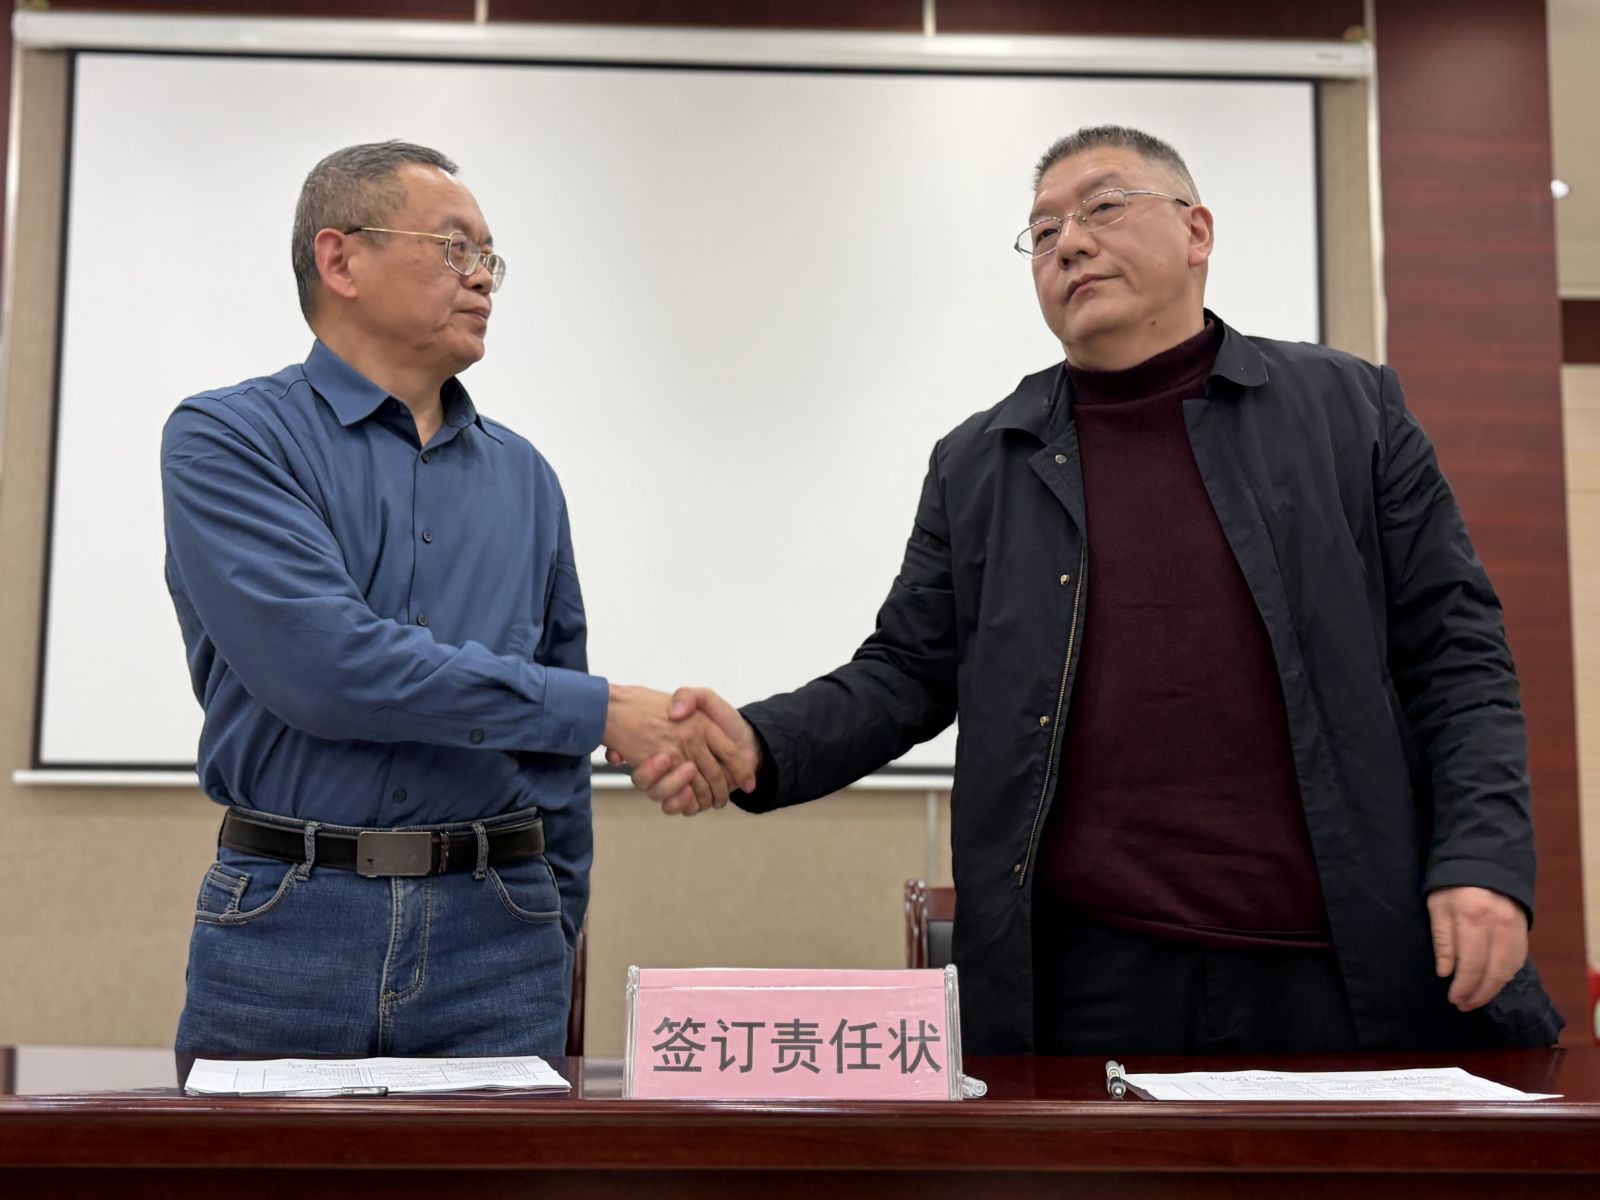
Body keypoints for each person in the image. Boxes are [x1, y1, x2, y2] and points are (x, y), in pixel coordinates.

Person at [623, 125, 1564, 1056]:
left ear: (1197, 231)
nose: (1069, 242)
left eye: (1104, 207)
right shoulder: (982, 461)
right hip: (1084, 984)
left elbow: (1459, 657)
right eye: (1043, 232)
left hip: (1334, 964)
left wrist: (1481, 858)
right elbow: (905, 672)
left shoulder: (1350, 412)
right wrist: (759, 744)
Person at [161, 141, 745, 1060]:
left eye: (490, 259)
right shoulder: (229, 439)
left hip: (498, 936)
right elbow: (330, 668)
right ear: (340, 259)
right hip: (287, 923)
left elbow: (552, 756)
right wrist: (606, 712)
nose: (482, 278)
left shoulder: (526, 477)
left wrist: (549, 918)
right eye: (453, 247)